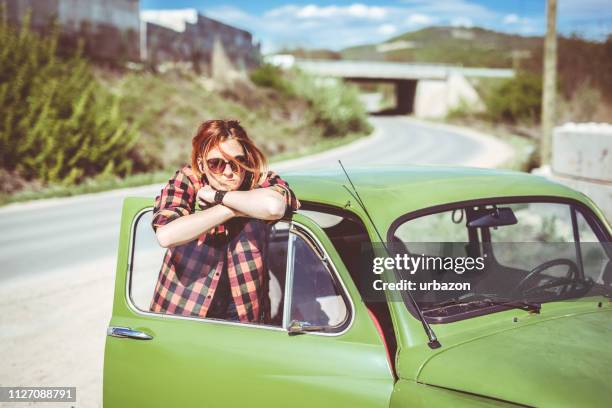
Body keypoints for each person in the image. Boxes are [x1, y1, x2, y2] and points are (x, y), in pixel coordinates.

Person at [149, 119, 300, 324]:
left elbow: (274, 207)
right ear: (202, 164)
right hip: (182, 313)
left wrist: (217, 197)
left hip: (244, 315)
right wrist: (234, 209)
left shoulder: (257, 180)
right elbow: (166, 235)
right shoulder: (188, 179)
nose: (229, 172)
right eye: (216, 163)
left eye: (237, 162)